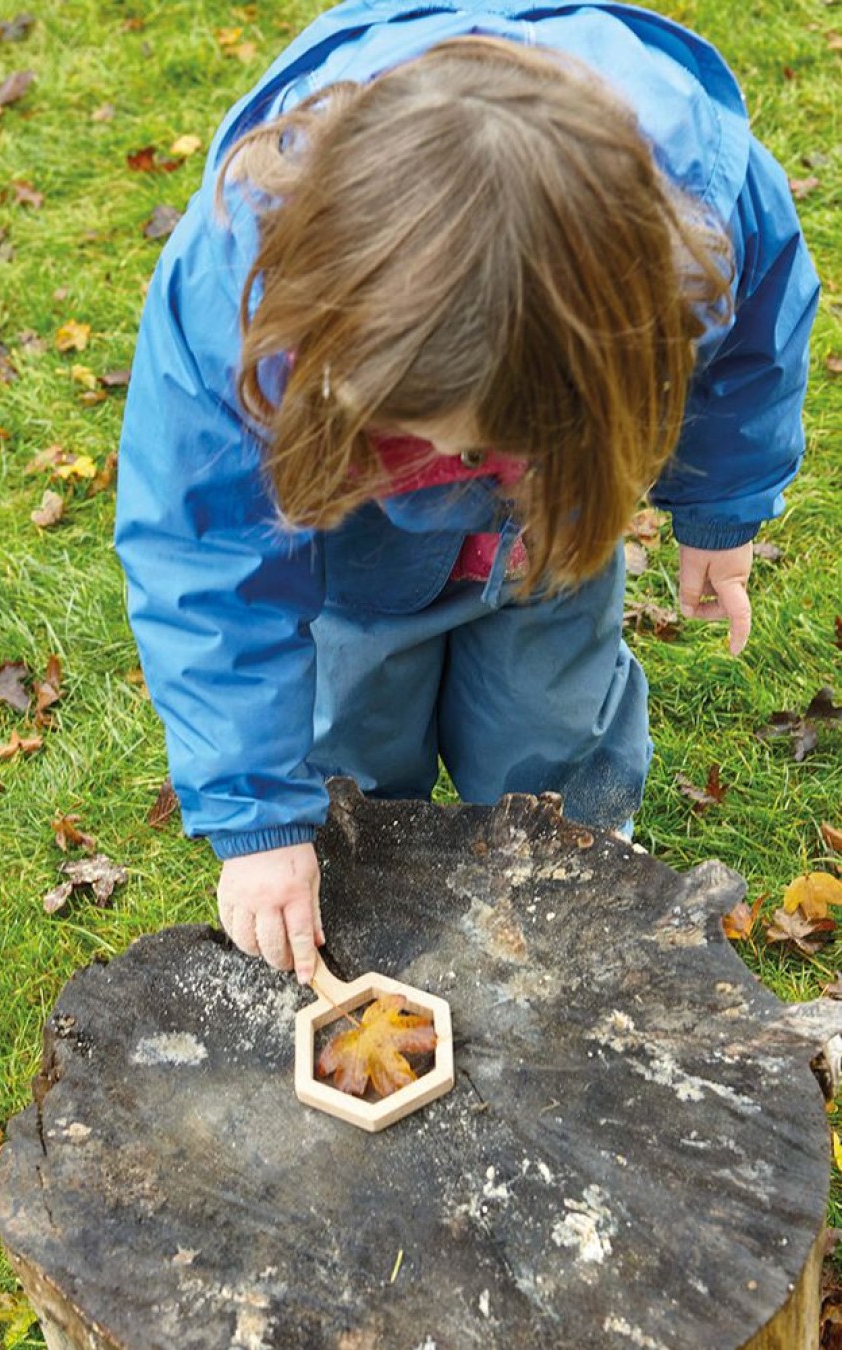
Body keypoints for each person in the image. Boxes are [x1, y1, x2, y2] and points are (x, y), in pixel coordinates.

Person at [114, 0, 818, 987]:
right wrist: (257, 817)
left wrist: (719, 507)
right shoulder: (234, 290)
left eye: (499, 434)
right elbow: (203, 552)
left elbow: (751, 352)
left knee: (550, 727)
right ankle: (366, 895)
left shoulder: (698, 224)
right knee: (353, 741)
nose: (452, 459)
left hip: (553, 540)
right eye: (410, 424)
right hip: (350, 557)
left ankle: (573, 892)